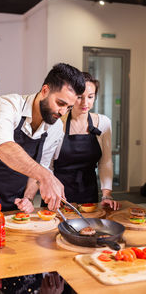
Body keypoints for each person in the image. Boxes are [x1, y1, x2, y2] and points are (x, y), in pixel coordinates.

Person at [0, 63, 85, 213]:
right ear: (45, 91)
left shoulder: (56, 128)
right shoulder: (8, 105)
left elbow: (40, 167)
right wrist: (47, 177)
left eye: (69, 107)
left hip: (13, 203)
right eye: (60, 103)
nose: (63, 112)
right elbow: (4, 146)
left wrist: (28, 198)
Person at [53, 72, 119, 210]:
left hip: (89, 193)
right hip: (58, 195)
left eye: (90, 97)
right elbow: (47, 165)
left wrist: (106, 194)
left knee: (88, 229)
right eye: (79, 97)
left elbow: (105, 161)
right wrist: (50, 190)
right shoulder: (57, 123)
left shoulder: (103, 122)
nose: (85, 103)